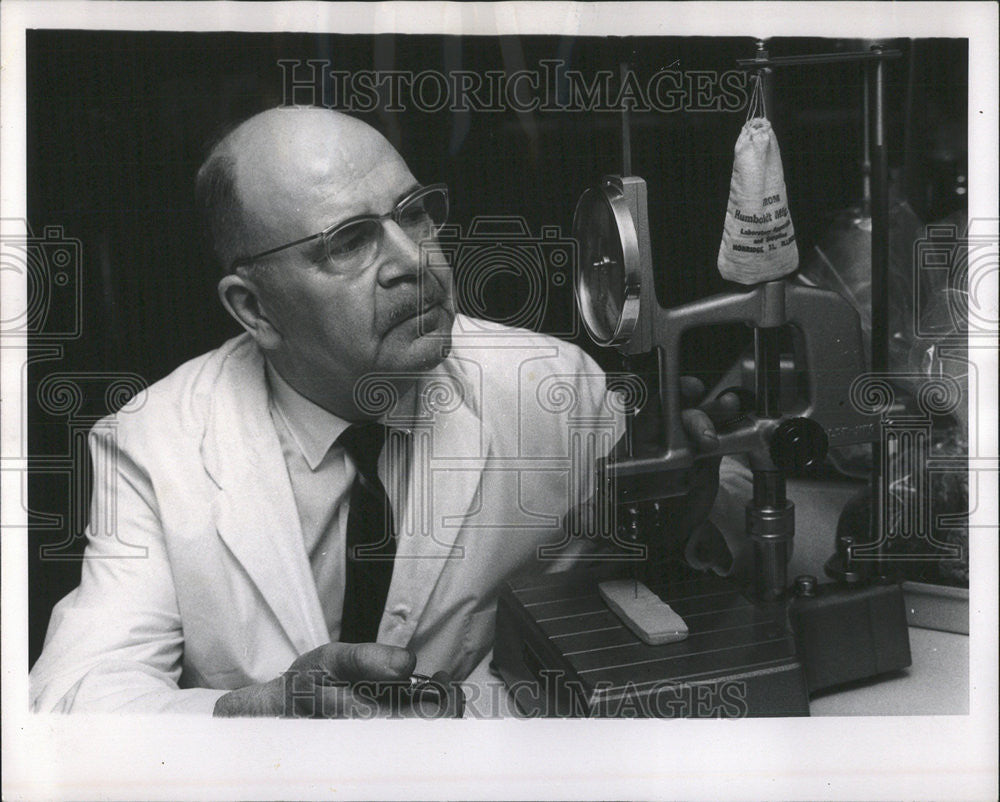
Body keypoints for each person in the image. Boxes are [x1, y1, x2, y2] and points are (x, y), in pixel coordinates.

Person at [29, 108, 748, 716]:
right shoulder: (156, 444)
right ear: (254, 308)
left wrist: (671, 524)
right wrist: (249, 711)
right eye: (347, 243)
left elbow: (680, 568)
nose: (412, 259)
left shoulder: (549, 386)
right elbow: (73, 694)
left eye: (413, 214)